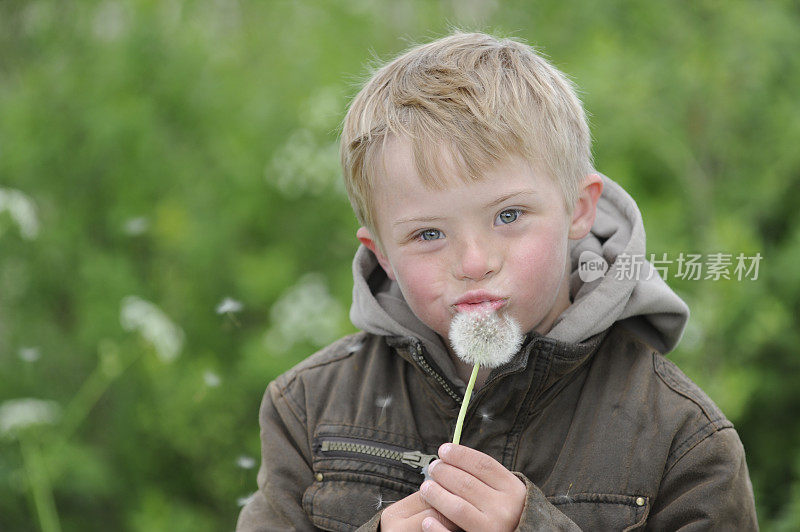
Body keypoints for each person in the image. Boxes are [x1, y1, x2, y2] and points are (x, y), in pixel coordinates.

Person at [237, 31, 758, 531]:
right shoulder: (306, 408)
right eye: (429, 233)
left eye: (508, 216)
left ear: (579, 210)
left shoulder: (683, 440)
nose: (474, 261)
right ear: (383, 256)